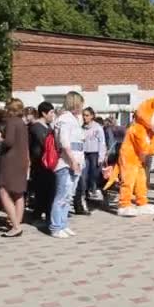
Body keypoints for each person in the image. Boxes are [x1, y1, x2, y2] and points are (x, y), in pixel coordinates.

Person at [49, 92, 86, 238]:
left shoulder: (74, 119)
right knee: (62, 196)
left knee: (68, 196)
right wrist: (72, 161)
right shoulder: (65, 119)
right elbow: (64, 143)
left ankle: (63, 224)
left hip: (76, 160)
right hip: (66, 162)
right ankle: (56, 226)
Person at [0, 98, 29, 237]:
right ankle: (17, 223)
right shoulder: (22, 123)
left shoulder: (11, 122)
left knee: (3, 190)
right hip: (21, 160)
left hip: (10, 160)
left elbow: (8, 142)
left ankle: (15, 226)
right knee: (18, 193)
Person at [29, 101, 56, 222]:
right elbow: (44, 143)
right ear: (44, 113)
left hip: (49, 164)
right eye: (51, 112)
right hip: (39, 164)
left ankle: (44, 212)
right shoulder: (36, 127)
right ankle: (38, 215)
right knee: (41, 191)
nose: (52, 115)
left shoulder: (48, 127)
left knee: (48, 190)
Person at [81, 107, 106, 199]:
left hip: (94, 153)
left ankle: (93, 190)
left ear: (92, 116)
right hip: (84, 153)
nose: (84, 117)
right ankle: (84, 192)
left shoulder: (97, 128)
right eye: (83, 115)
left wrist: (101, 157)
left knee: (93, 174)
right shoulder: (82, 127)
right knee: (84, 174)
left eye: (87, 115)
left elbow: (102, 142)